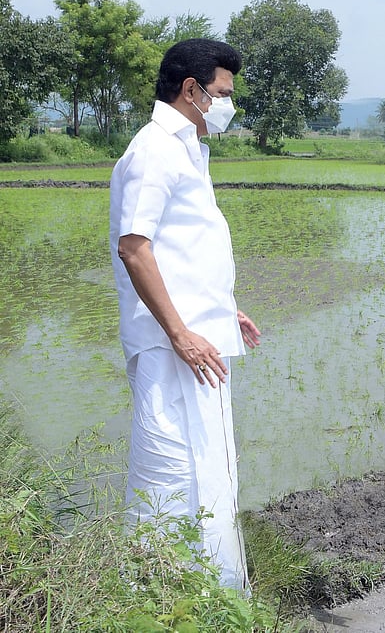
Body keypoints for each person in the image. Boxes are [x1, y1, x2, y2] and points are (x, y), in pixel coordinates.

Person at [110, 38, 260, 590]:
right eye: (222, 94)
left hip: (199, 338)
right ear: (191, 89)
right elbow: (135, 246)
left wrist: (225, 310)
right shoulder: (153, 151)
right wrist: (180, 333)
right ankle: (160, 595)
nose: (228, 105)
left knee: (211, 469)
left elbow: (183, 249)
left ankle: (211, 595)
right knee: (173, 471)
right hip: (173, 346)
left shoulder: (188, 150)